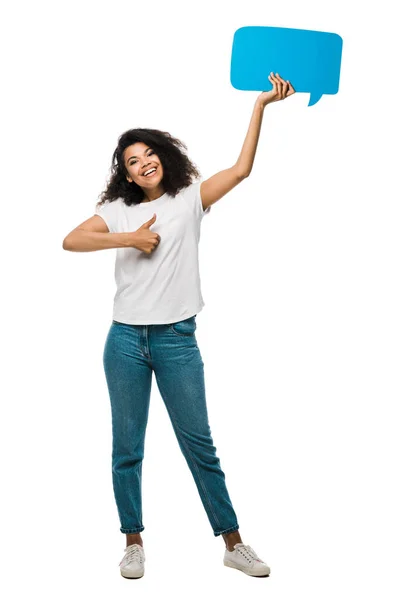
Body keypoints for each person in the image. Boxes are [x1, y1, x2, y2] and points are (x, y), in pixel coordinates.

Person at [62, 72, 295, 579]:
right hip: (123, 340)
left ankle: (233, 543)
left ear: (163, 156)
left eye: (149, 155)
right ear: (125, 174)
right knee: (127, 446)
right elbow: (71, 241)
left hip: (176, 339)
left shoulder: (191, 197)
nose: (143, 164)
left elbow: (241, 170)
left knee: (199, 443)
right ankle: (133, 541)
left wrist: (260, 107)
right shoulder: (117, 211)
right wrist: (128, 241)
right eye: (132, 162)